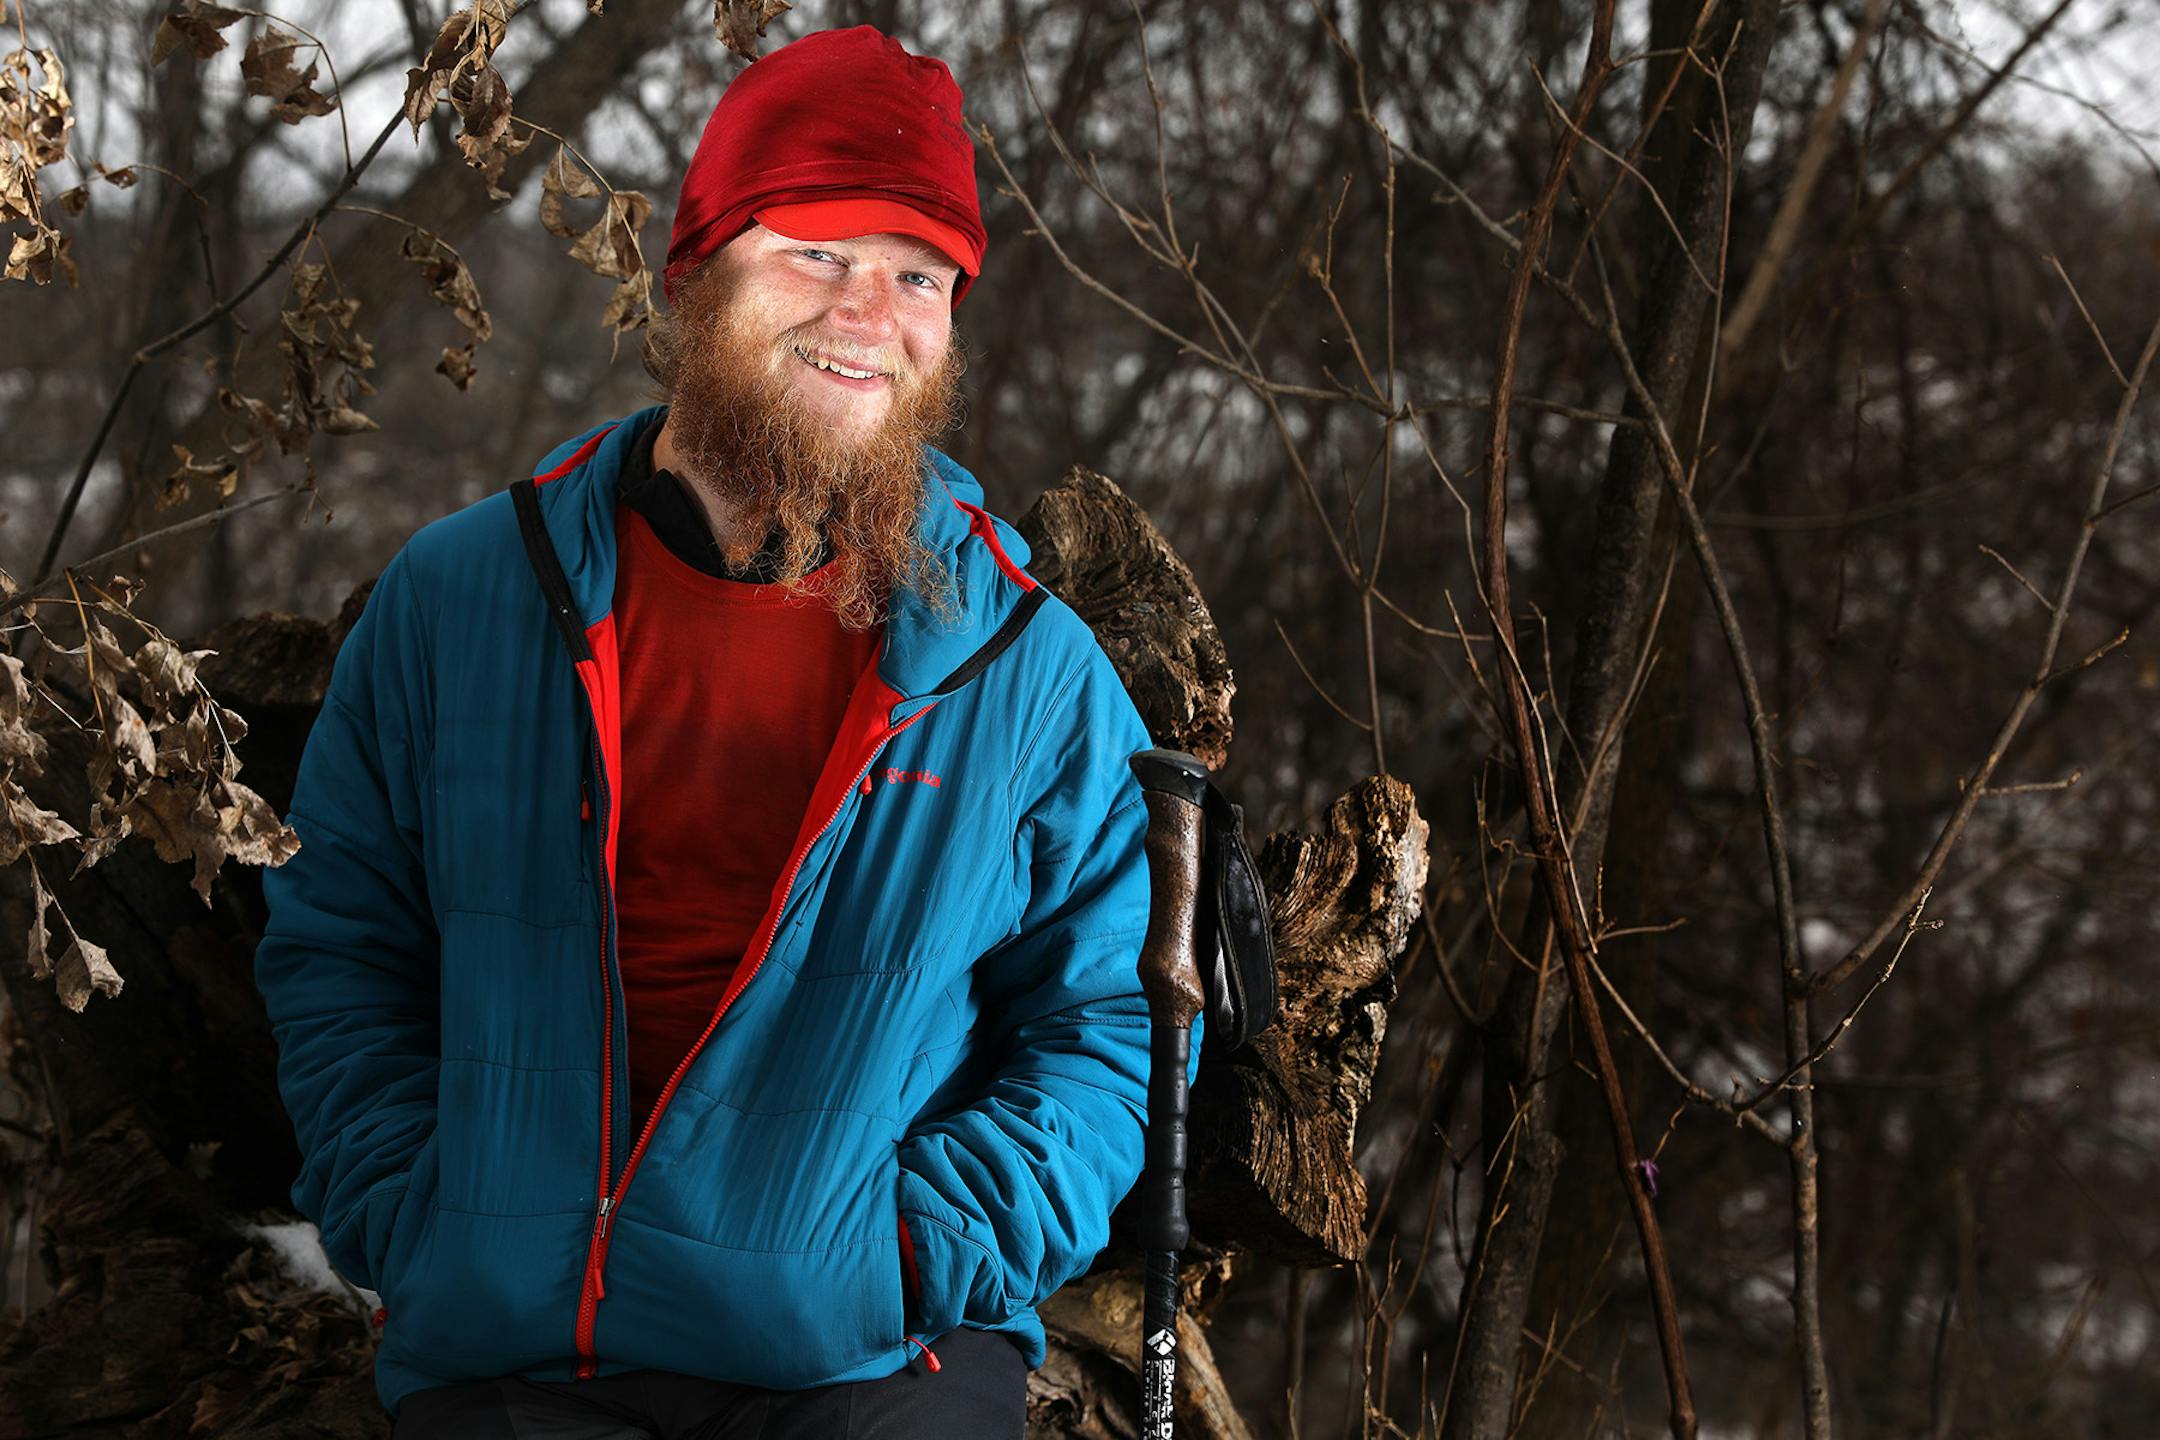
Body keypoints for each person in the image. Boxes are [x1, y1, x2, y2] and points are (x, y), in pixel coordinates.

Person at [253, 25, 1198, 1439]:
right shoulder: (462, 601)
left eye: (920, 275)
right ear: (698, 270)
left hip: (870, 1366)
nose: (871, 311)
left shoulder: (1028, 671)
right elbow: (341, 943)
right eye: (819, 252)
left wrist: (919, 1253)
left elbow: (1111, 1019)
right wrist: (410, 1209)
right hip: (511, 1352)